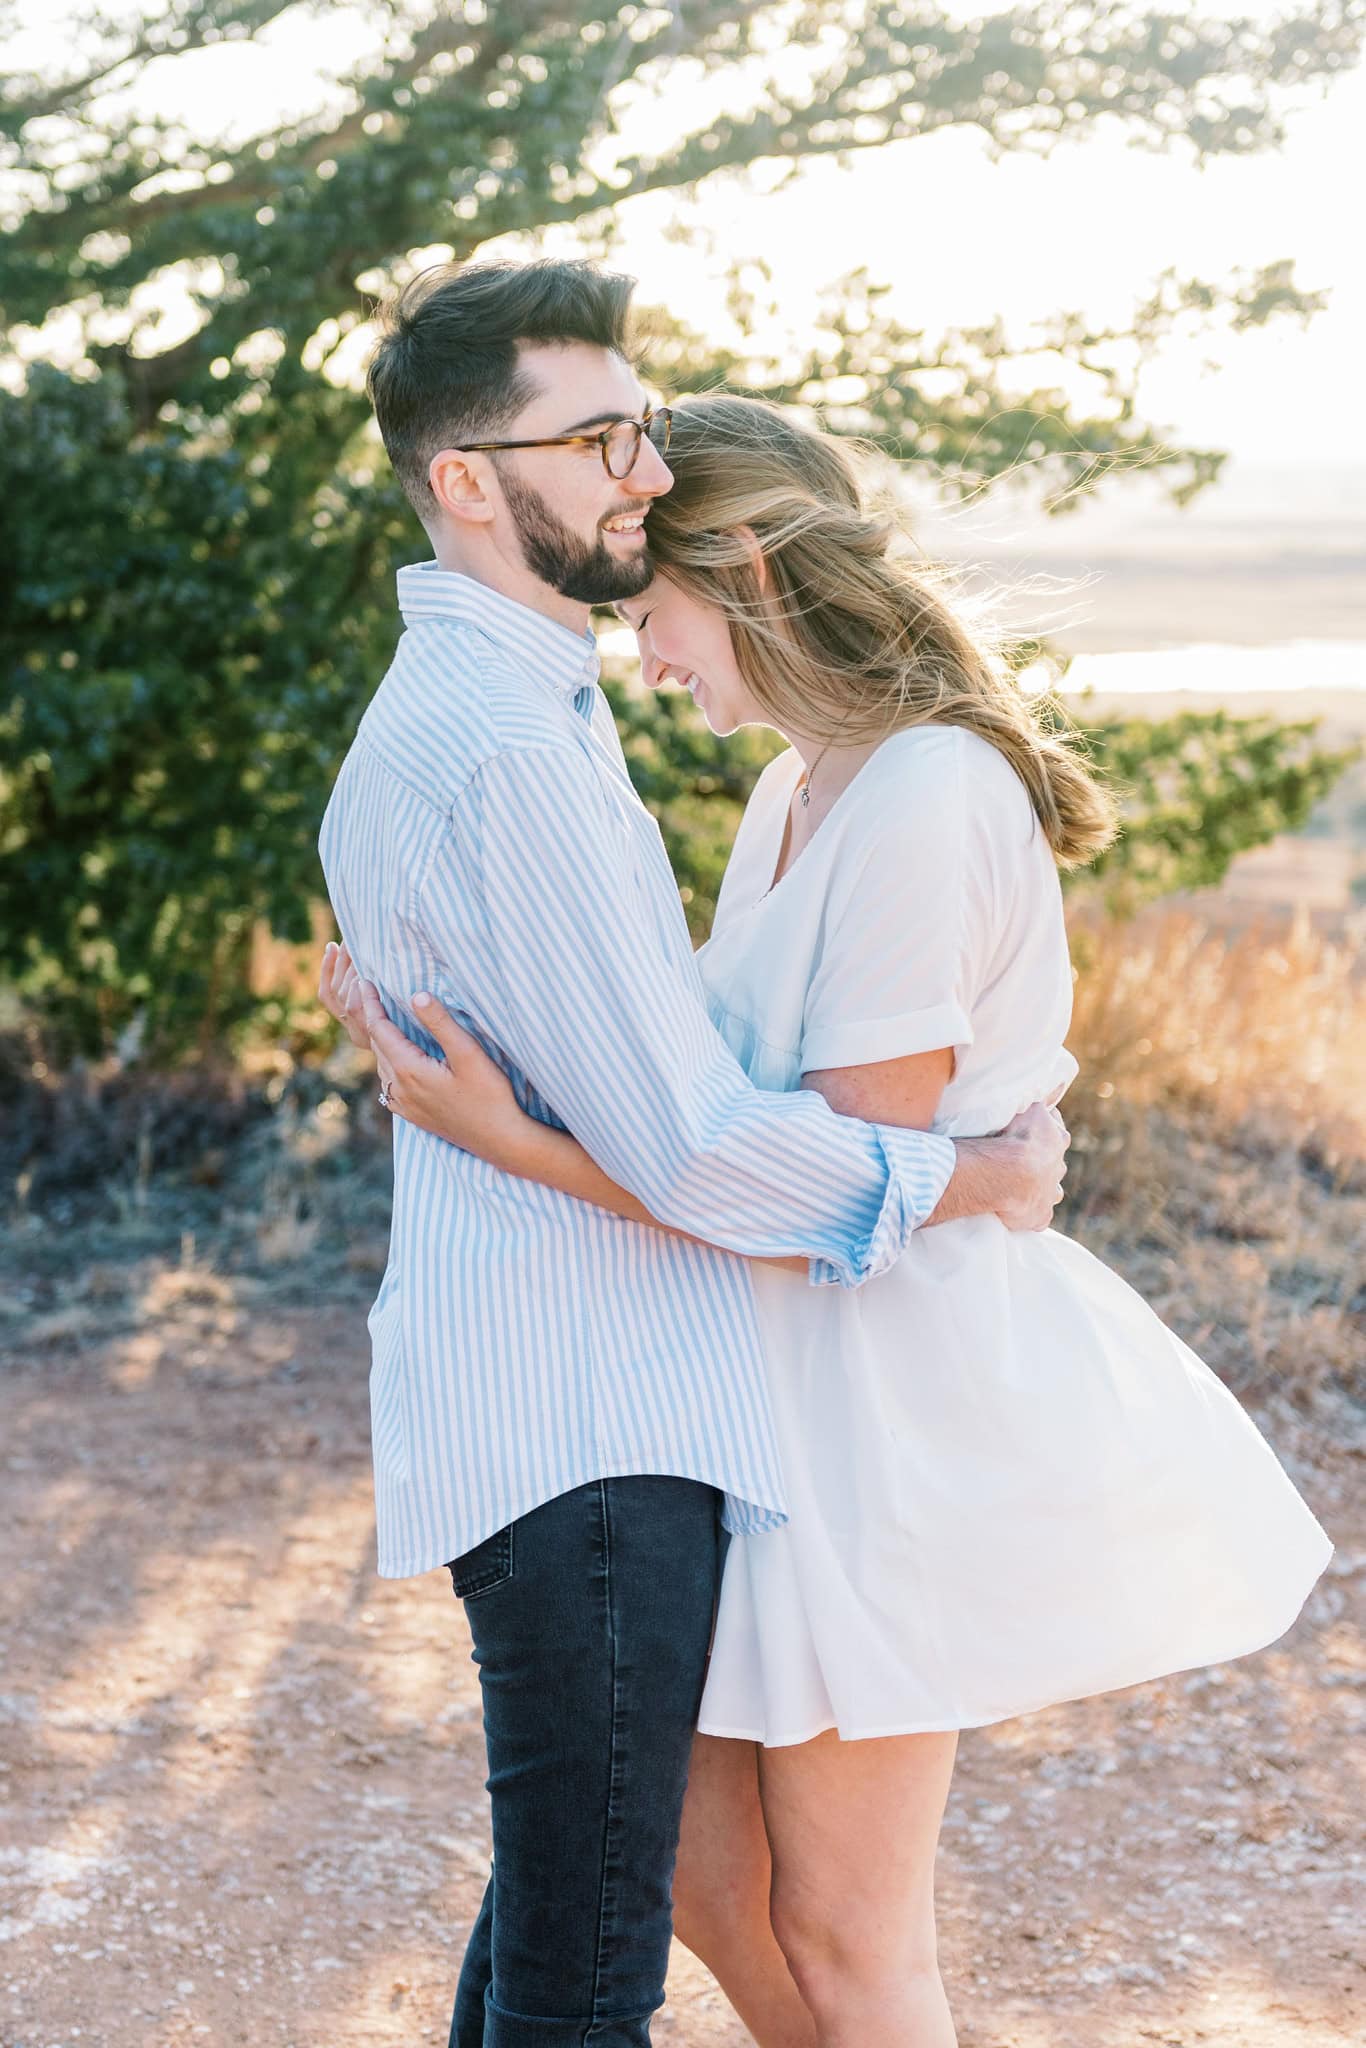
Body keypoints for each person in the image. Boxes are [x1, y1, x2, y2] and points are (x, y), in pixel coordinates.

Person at [324, 389, 1333, 2048]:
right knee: (710, 1892)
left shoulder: (926, 794)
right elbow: (706, 1122)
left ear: (756, 577)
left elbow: (829, 1190)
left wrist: (504, 1137)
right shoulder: (804, 791)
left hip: (881, 1411)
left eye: (655, 610)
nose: (644, 657)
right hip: (761, 1386)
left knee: (852, 1937)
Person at [316, 260, 1069, 2048]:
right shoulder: (513, 745)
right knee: (599, 1951)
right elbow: (701, 1145)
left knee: (597, 1924)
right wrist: (973, 1179)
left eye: (641, 430)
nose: (638, 471)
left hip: (696, 1394)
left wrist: (512, 1127)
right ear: (469, 483)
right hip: (606, 1406)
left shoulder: (534, 722)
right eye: (597, 439)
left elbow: (677, 1110)